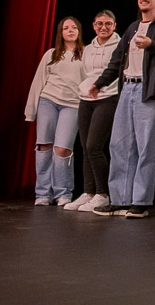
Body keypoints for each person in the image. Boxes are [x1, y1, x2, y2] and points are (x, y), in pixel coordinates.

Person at [89, 0, 155, 219]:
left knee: (146, 147)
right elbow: (117, 60)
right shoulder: (131, 28)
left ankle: (140, 201)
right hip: (127, 89)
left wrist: (152, 45)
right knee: (119, 145)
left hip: (148, 91)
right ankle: (119, 199)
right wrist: (99, 83)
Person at [24, 17, 86, 206]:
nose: (70, 30)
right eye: (66, 28)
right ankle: (42, 192)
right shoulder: (51, 54)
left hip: (73, 104)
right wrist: (31, 111)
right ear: (61, 32)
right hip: (48, 101)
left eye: (74, 27)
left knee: (63, 149)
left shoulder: (86, 54)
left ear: (79, 31)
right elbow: (38, 82)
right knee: (44, 145)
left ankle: (63, 192)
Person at [64, 11, 120, 213]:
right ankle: (88, 192)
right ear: (93, 25)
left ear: (114, 25)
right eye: (99, 24)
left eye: (107, 24)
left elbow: (114, 72)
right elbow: (86, 73)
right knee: (85, 147)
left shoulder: (119, 45)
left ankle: (103, 194)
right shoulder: (88, 48)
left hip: (108, 98)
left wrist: (99, 86)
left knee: (94, 145)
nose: (103, 27)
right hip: (86, 98)